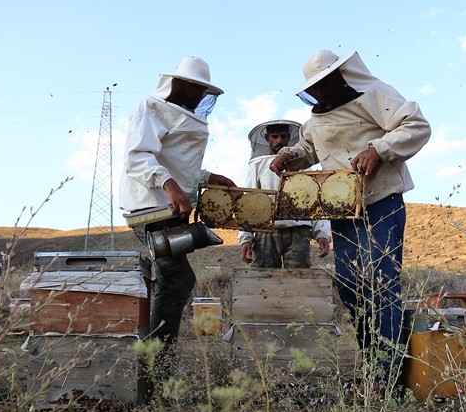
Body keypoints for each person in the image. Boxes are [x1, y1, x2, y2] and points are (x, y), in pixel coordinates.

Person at [269, 50, 431, 396]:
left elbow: (416, 126)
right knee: (351, 287)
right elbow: (308, 148)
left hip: (380, 201)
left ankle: (387, 378)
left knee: (382, 287)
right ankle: (373, 366)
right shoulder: (316, 119)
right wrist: (289, 156)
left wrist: (379, 148)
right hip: (342, 211)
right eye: (315, 86)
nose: (321, 92)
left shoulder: (376, 94)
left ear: (341, 76)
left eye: (325, 83)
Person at [121, 55, 236, 379]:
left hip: (169, 208)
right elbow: (138, 156)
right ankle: (159, 366)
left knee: (172, 279)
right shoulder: (149, 106)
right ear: (181, 84)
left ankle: (157, 362)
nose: (201, 96)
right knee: (177, 278)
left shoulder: (178, 116)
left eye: (204, 91)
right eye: (198, 89)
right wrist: (169, 186)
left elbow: (178, 164)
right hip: (153, 207)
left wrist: (210, 176)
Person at [237, 120, 332, 268]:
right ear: (267, 137)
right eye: (275, 137)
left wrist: (322, 234)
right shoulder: (257, 165)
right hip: (266, 230)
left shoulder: (303, 164)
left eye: (283, 136)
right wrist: (246, 238)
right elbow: (248, 202)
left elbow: (316, 201)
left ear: (289, 137)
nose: (279, 141)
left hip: (299, 230)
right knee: (263, 278)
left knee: (298, 279)